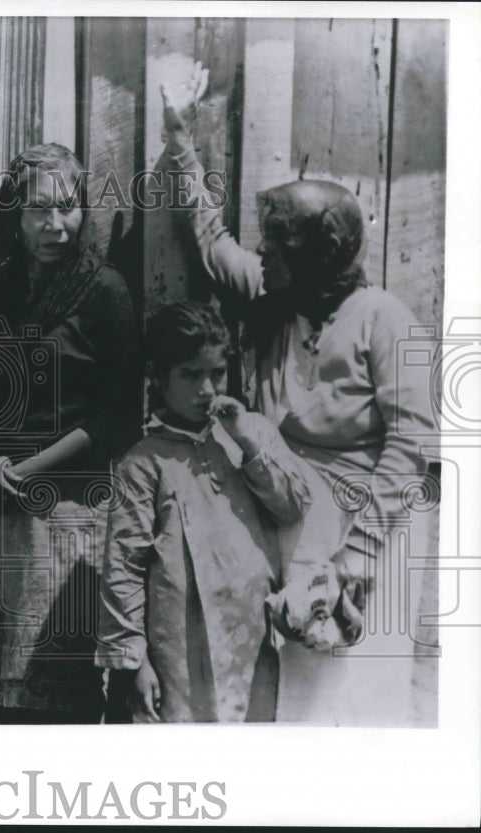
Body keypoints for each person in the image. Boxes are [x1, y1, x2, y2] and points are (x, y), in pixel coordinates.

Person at [162, 64, 437, 725]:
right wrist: (179, 134)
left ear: (317, 252)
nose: (263, 250)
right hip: (291, 514)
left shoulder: (383, 317)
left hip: (372, 525)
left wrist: (358, 551)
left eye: (278, 242)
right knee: (297, 692)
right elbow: (207, 238)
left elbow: (412, 442)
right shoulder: (276, 295)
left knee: (355, 698)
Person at [0, 143, 141, 723]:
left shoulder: (105, 291)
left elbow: (116, 417)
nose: (56, 226)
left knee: (55, 679)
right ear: (14, 213)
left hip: (66, 507)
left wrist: (25, 471)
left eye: (69, 207)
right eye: (39, 210)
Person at [97, 301, 313, 723]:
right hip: (178, 640)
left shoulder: (246, 434)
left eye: (216, 373)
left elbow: (291, 506)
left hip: (251, 636)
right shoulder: (143, 463)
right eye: (190, 375)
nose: (208, 390)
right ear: (157, 377)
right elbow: (122, 568)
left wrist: (246, 441)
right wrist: (134, 661)